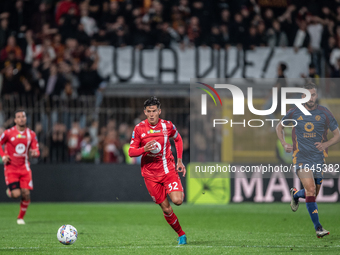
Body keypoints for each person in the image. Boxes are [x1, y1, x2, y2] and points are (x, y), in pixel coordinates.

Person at [276, 83, 340, 238]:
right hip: (301, 157)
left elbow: (338, 134)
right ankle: (318, 228)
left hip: (318, 158)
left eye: (313, 94)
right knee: (311, 190)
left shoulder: (324, 113)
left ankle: (296, 195)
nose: (311, 98)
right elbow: (279, 127)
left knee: (313, 194)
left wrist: (326, 144)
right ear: (302, 96)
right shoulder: (294, 112)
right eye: (307, 95)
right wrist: (284, 143)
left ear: (316, 96)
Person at [128, 96, 187, 245]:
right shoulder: (139, 128)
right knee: (167, 209)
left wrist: (179, 161)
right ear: (145, 112)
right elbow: (131, 152)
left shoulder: (167, 126)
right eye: (149, 111)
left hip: (167, 170)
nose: (152, 114)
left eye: (154, 111)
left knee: (178, 201)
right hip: (150, 175)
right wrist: (144, 149)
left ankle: (177, 188)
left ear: (159, 111)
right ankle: (181, 234)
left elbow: (178, 139)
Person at [0, 110, 40, 224]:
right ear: (15, 120)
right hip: (11, 168)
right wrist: (3, 156)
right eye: (19, 117)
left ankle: (20, 217)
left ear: (26, 118)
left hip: (25, 167)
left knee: (26, 193)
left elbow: (36, 149)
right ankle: (10, 192)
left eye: (23, 116)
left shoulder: (31, 134)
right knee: (16, 194)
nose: (21, 118)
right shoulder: (8, 133)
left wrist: (35, 153)